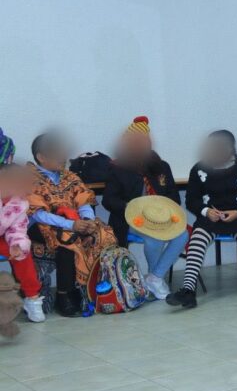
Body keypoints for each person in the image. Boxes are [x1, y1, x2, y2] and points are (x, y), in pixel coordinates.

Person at [167, 130, 237, 309]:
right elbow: (191, 200)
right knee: (197, 240)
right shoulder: (199, 168)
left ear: (230, 148)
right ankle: (188, 290)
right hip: (211, 218)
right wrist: (206, 211)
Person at [27, 132, 117, 317]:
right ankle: (64, 296)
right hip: (41, 225)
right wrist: (71, 225)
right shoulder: (28, 178)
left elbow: (83, 201)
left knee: (103, 234)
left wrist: (87, 221)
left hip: (72, 222)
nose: (63, 156)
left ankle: (90, 291)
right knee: (67, 241)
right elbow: (38, 214)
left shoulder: (70, 176)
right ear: (41, 157)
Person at [102, 116, 187, 299]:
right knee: (154, 239)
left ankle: (155, 277)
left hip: (160, 218)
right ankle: (156, 280)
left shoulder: (161, 166)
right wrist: (131, 207)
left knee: (183, 235)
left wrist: (162, 209)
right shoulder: (118, 167)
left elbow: (174, 197)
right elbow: (108, 200)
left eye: (145, 141)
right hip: (132, 219)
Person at [0, 163, 45, 322]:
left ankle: (32, 298)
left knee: (22, 255)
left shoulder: (19, 203)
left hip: (2, 237)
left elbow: (17, 228)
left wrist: (17, 245)